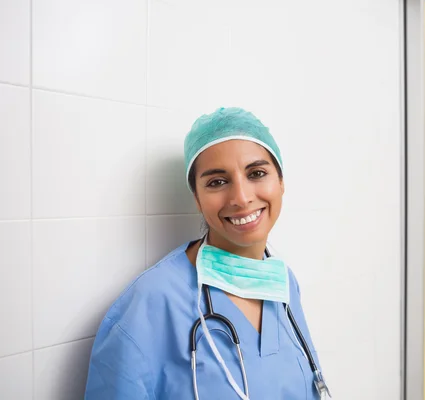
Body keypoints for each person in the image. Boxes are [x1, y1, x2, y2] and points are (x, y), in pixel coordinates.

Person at [84, 107, 330, 399]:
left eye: (257, 173)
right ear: (197, 199)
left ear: (281, 182)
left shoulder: (283, 282)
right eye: (217, 182)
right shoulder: (151, 303)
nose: (241, 197)